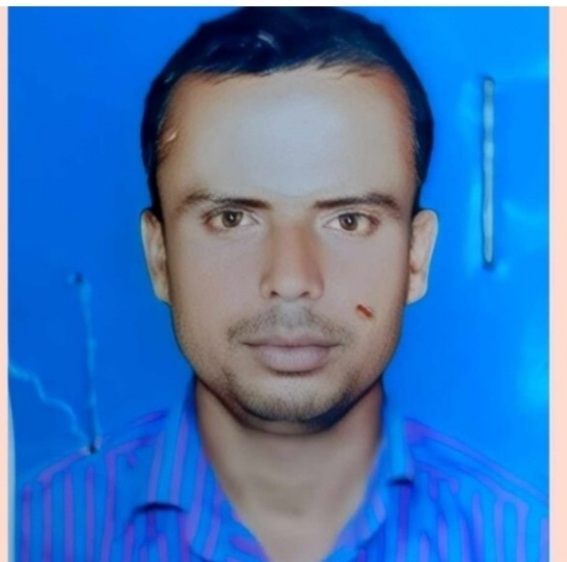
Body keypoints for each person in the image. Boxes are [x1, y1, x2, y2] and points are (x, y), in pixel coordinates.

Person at [17, 7, 548, 562]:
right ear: (159, 256)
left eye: (349, 220)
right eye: (232, 219)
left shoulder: (529, 542)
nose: (291, 280)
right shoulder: (32, 537)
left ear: (416, 258)